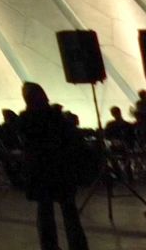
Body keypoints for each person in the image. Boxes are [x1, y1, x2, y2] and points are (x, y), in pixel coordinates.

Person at [15, 83, 92, 250]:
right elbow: (68, 139)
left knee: (46, 211)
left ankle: (50, 245)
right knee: (67, 210)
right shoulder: (55, 117)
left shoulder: (25, 119)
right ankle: (77, 245)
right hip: (59, 169)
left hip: (41, 171)